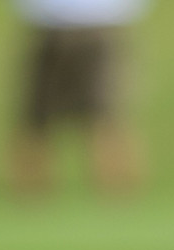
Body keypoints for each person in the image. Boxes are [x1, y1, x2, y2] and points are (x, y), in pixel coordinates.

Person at [10, 0, 148, 198]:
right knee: (35, 119)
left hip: (102, 22)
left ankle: (119, 200)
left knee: (107, 116)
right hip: (45, 25)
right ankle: (29, 202)